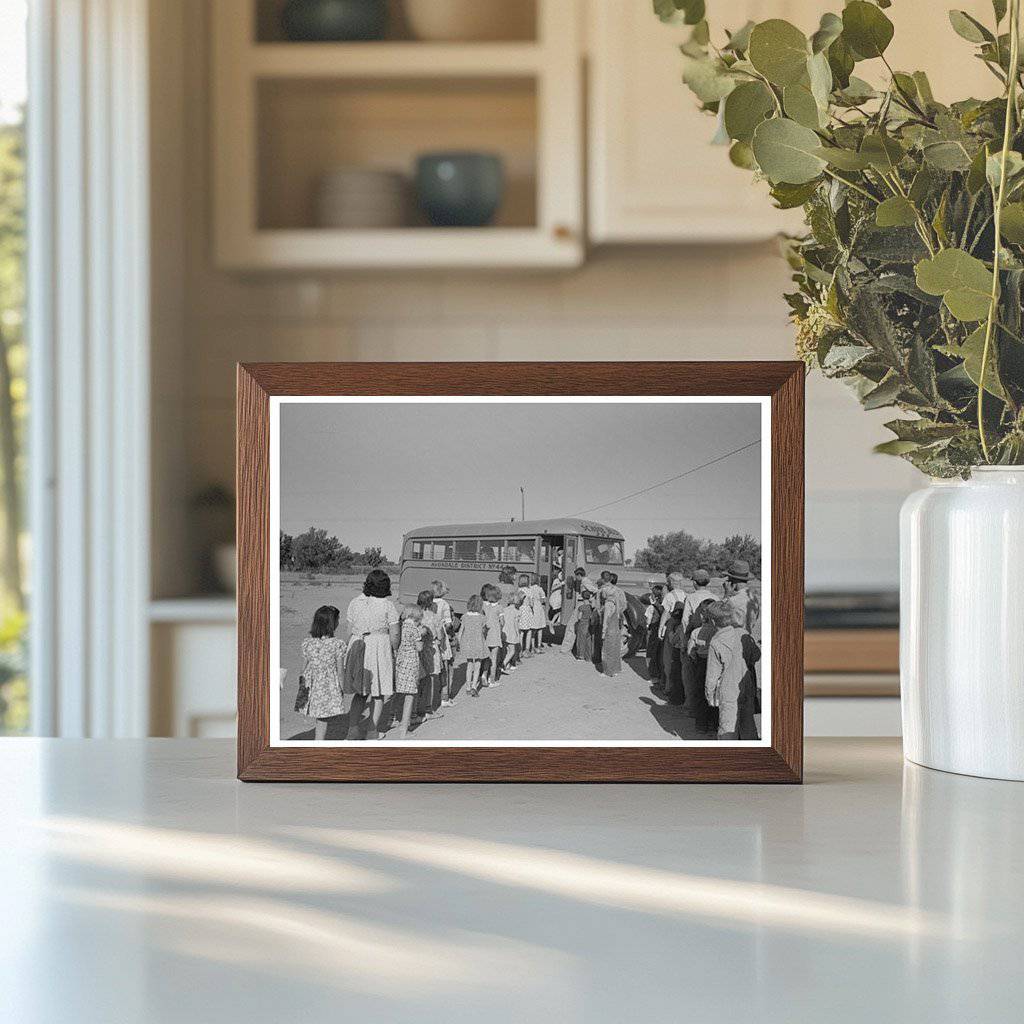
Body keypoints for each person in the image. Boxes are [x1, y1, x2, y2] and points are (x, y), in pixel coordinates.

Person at [343, 569, 400, 740]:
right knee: (378, 692)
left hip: (357, 644)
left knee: (360, 692)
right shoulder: (388, 605)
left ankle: (352, 730)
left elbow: (348, 630)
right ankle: (372, 731)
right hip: (378, 647)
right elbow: (395, 633)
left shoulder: (355, 602)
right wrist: (395, 649)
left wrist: (348, 650)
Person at [299, 605, 347, 741]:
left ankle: (318, 740)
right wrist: (342, 688)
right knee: (323, 718)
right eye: (337, 619)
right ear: (333, 624)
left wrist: (302, 690)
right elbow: (340, 671)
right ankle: (318, 742)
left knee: (320, 717)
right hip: (327, 686)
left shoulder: (308, 643)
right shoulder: (337, 644)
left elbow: (303, 669)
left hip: (311, 684)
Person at [704, 601, 747, 741]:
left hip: (728, 690)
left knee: (727, 728)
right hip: (746, 685)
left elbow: (712, 675)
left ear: (712, 621)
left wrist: (710, 695)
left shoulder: (716, 642)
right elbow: (756, 655)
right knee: (747, 726)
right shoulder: (743, 634)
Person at [679, 569, 716, 708]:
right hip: (712, 637)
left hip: (695, 636)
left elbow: (685, 621)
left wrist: (684, 642)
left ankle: (690, 703)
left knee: (690, 672)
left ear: (694, 582)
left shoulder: (690, 598)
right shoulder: (715, 597)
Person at [686, 598, 718, 733]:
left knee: (700, 693)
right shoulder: (718, 631)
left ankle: (701, 725)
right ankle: (714, 724)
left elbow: (690, 651)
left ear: (702, 614)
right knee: (715, 693)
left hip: (701, 663)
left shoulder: (696, 632)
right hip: (716, 665)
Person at [394, 604, 425, 739]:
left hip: (401, 661)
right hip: (411, 662)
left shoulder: (401, 626)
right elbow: (419, 647)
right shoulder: (414, 629)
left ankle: (395, 718)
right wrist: (421, 635)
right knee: (410, 694)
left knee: (400, 692)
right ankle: (404, 728)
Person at [417, 589, 444, 720]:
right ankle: (428, 708)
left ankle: (416, 707)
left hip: (418, 649)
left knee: (419, 679)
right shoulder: (434, 616)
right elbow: (440, 635)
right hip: (431, 649)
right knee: (431, 679)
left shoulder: (416, 615)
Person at [558, 568, 600, 653]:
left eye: (576, 576)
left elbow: (594, 590)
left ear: (579, 575)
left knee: (571, 626)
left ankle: (565, 648)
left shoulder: (585, 581)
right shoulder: (586, 580)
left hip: (581, 603)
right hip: (584, 602)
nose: (576, 578)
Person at [458, 593, 488, 697]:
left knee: (469, 665)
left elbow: (461, 632)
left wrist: (459, 643)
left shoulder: (464, 617)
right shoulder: (482, 618)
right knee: (478, 665)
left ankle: (467, 687)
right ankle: (474, 686)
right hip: (478, 643)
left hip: (467, 643)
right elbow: (484, 630)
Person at [432, 580, 456, 707]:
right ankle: (445, 696)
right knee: (445, 667)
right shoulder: (445, 604)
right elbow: (448, 624)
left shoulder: (429, 602)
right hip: (442, 637)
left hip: (430, 636)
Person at [481, 583, 504, 688]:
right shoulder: (499, 607)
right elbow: (502, 622)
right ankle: (492, 680)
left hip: (486, 635)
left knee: (487, 658)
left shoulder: (485, 606)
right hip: (495, 635)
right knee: (494, 659)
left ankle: (484, 675)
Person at [600, 584, 622, 677]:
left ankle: (608, 671)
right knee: (615, 650)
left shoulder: (608, 605)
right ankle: (615, 670)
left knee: (607, 651)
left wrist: (603, 632)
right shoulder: (616, 605)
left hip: (609, 631)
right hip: (616, 631)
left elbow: (606, 620)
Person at [646, 583, 665, 684]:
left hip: (654, 631)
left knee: (651, 653)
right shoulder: (662, 605)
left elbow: (648, 620)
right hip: (660, 631)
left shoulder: (653, 606)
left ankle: (654, 676)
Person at [501, 592, 524, 672]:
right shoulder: (517, 612)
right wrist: (518, 633)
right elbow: (516, 625)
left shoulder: (504, 609)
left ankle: (507, 665)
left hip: (504, 631)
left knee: (506, 649)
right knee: (512, 651)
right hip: (512, 632)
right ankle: (503, 664)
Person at [527, 573, 547, 651]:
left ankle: (532, 646)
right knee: (540, 628)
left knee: (532, 628)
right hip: (538, 608)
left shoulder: (529, 589)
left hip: (531, 608)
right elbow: (544, 599)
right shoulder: (540, 589)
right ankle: (538, 645)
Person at [574, 594, 594, 662]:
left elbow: (579, 617)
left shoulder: (581, 607)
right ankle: (588, 657)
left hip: (582, 625)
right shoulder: (591, 607)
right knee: (588, 641)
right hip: (589, 625)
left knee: (581, 640)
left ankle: (581, 656)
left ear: (582, 598)